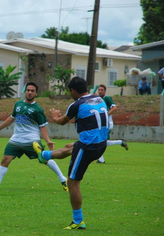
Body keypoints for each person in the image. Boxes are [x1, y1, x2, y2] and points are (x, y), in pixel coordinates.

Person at [33, 76, 109, 230]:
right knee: (71, 147)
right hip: (102, 145)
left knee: (72, 182)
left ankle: (78, 220)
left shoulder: (76, 104)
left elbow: (61, 121)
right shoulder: (100, 99)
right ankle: (44, 155)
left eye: (70, 91)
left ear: (73, 90)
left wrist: (55, 116)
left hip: (88, 146)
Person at [0, 82, 69, 192]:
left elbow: (42, 127)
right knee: (5, 159)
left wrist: (48, 141)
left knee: (44, 159)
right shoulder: (18, 104)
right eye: (28, 90)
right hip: (16, 139)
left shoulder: (38, 109)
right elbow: (11, 118)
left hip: (31, 141)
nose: (29, 92)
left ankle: (63, 179)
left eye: (32, 91)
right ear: (25, 91)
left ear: (36, 93)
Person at [96, 84, 128, 164]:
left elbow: (114, 108)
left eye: (101, 90)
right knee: (101, 141)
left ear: (105, 91)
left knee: (99, 141)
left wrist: (106, 115)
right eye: (99, 90)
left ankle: (101, 159)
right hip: (102, 124)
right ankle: (120, 142)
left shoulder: (107, 98)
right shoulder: (98, 99)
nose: (100, 91)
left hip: (107, 124)